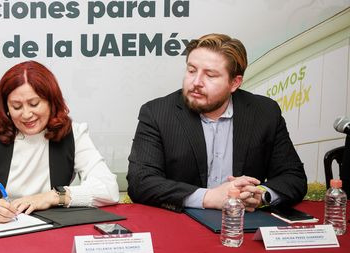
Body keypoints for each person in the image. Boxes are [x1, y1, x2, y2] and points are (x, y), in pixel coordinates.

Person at [127, 33, 307, 212]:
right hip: (182, 225)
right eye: (191, 71)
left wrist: (260, 195)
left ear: (235, 83)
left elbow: (293, 177)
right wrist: (208, 197)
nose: (196, 82)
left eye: (210, 75)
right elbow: (141, 182)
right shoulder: (158, 113)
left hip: (243, 224)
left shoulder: (265, 112)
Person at [0, 61, 119, 223]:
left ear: (51, 102)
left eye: (34, 104)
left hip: (51, 235)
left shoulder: (74, 135)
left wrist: (53, 197)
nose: (26, 114)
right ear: (6, 108)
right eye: (16, 106)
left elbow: (108, 188)